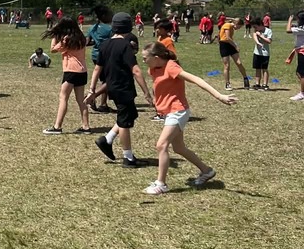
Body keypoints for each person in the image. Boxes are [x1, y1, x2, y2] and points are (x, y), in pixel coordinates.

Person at [139, 41, 238, 195]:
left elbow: (197, 80)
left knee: (161, 145)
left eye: (145, 58)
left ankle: (161, 184)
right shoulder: (154, 68)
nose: (143, 61)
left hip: (178, 111)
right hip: (169, 112)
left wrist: (219, 96)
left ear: (157, 57)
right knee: (178, 148)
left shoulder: (171, 67)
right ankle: (207, 171)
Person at [87, 12, 153, 167]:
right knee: (125, 123)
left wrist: (92, 89)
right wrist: (147, 93)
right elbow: (136, 71)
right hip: (123, 88)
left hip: (112, 88)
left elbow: (97, 69)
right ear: (128, 28)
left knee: (130, 115)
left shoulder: (105, 44)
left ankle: (107, 140)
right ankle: (128, 158)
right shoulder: (125, 45)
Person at [42, 17, 90, 135]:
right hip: (82, 71)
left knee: (63, 98)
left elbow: (53, 49)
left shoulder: (67, 39)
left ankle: (57, 126)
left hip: (71, 71)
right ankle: (86, 127)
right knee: (81, 100)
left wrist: (55, 36)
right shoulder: (81, 37)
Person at [86, 5, 113, 114]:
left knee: (104, 80)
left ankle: (103, 105)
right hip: (107, 56)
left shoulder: (92, 28)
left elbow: (87, 42)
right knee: (109, 80)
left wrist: (97, 42)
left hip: (95, 55)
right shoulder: (110, 29)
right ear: (104, 15)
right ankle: (92, 97)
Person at [218, 17, 250, 90]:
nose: (238, 29)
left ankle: (245, 79)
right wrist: (236, 46)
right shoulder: (227, 25)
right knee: (227, 65)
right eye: (239, 27)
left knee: (239, 63)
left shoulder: (231, 27)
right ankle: (227, 83)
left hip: (230, 45)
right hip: (224, 45)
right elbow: (228, 38)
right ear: (236, 24)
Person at [285, 11, 304, 102]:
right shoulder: (301, 28)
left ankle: (302, 93)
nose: (297, 20)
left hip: (302, 52)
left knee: (301, 73)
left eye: (297, 19)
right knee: (299, 72)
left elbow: (288, 30)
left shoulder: (302, 28)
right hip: (300, 51)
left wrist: (289, 20)